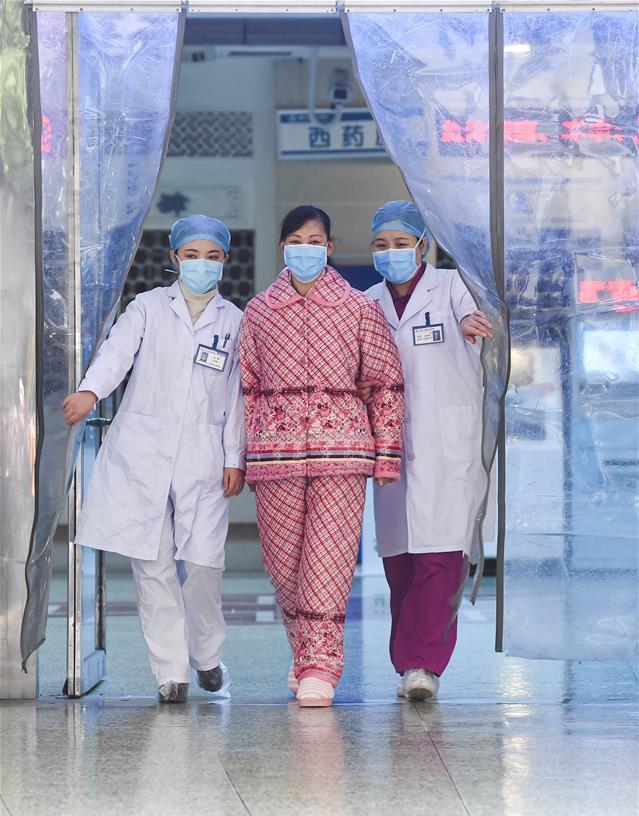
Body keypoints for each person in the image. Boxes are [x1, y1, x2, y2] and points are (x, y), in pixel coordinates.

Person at [62, 214, 246, 703]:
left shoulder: (235, 321)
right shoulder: (147, 307)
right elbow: (116, 353)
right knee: (153, 563)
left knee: (204, 564)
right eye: (192, 255)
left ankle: (206, 656)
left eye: (212, 256)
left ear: (225, 260)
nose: (201, 264)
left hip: (205, 456)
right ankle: (171, 672)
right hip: (142, 453)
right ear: (174, 259)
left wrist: (235, 456)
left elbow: (237, 396)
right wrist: (90, 391)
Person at [240, 205, 404, 708]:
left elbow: (386, 382)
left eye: (314, 241)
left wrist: (387, 453)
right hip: (274, 455)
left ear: (329, 248)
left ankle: (321, 666)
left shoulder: (358, 308)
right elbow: (246, 388)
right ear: (282, 247)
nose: (305, 249)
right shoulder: (259, 312)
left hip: (343, 451)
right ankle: (303, 652)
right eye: (296, 240)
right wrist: (241, 454)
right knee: (283, 565)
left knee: (328, 562)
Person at [360, 200, 492, 701]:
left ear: (422, 245)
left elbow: (477, 321)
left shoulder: (453, 287)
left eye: (400, 243)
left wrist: (472, 325)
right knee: (401, 561)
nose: (390, 252)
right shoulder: (366, 302)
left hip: (447, 441)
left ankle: (423, 665)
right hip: (391, 443)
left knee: (441, 557)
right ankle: (408, 663)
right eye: (381, 244)